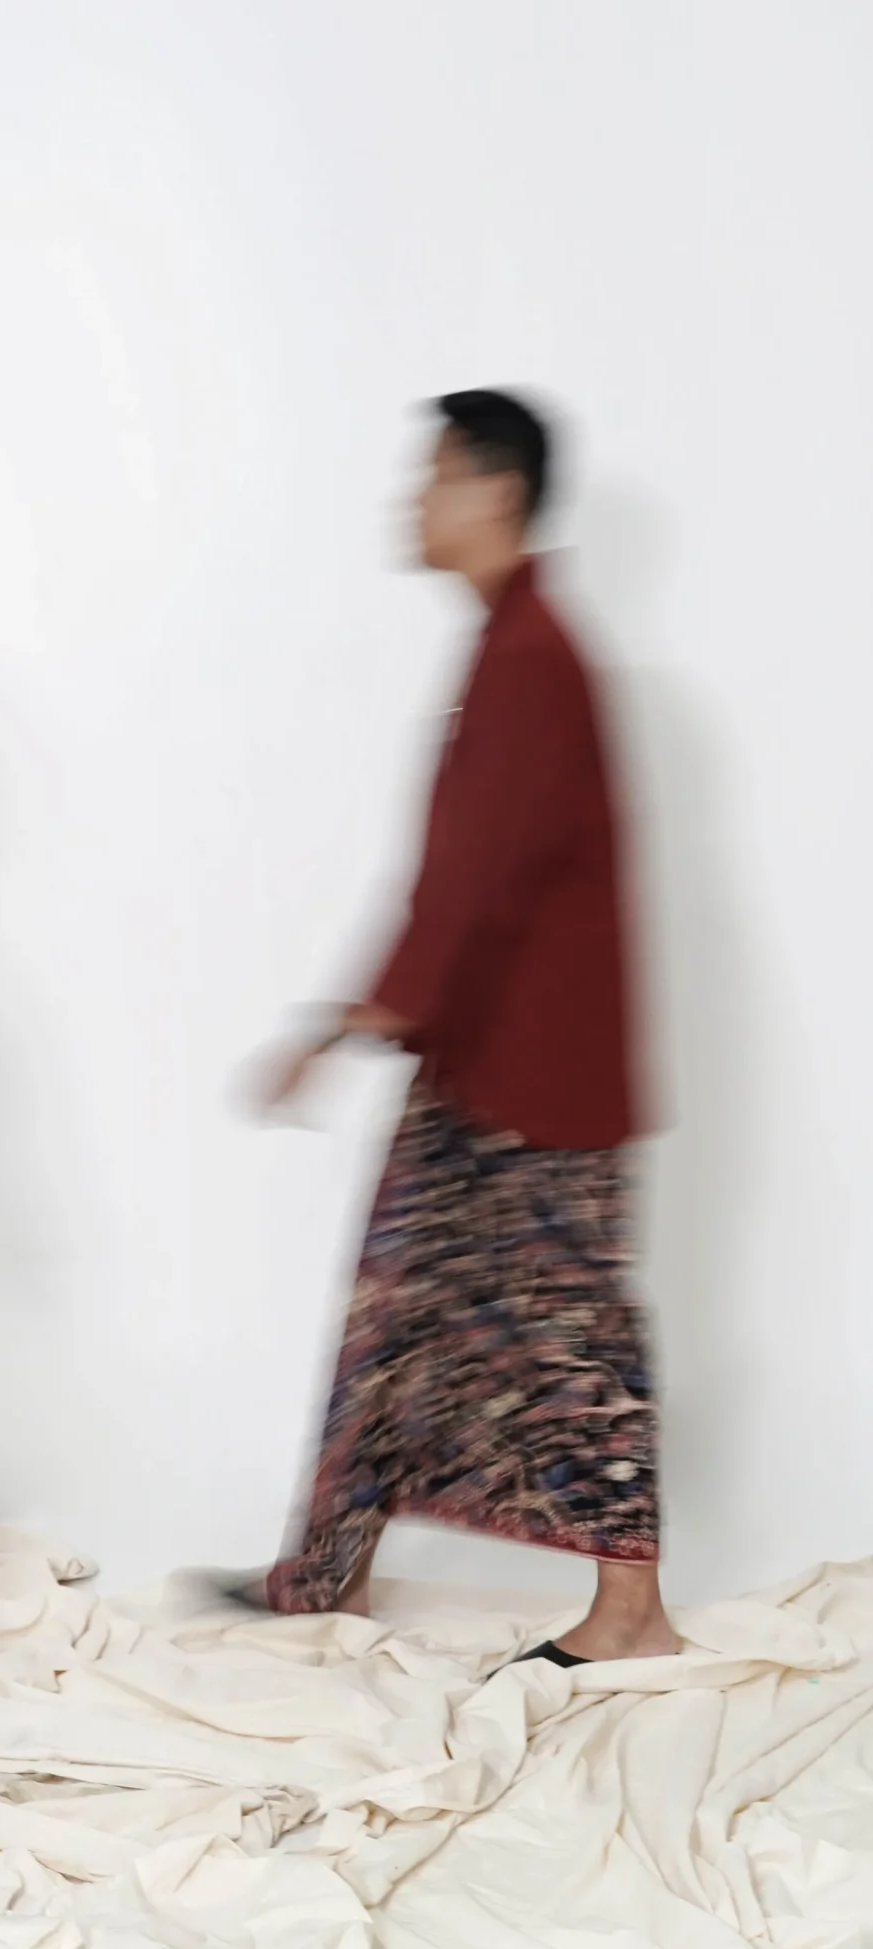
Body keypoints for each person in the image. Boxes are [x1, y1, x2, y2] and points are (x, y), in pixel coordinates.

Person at [246, 391, 677, 1665]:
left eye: (431, 475)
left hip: (539, 1074)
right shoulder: (512, 642)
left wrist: (353, 1016)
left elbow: (476, 874)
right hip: (486, 1057)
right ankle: (328, 1573)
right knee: (403, 1304)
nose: (411, 500)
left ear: (494, 490)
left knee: (569, 1330)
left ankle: (632, 1613)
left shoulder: (533, 656)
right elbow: (470, 873)